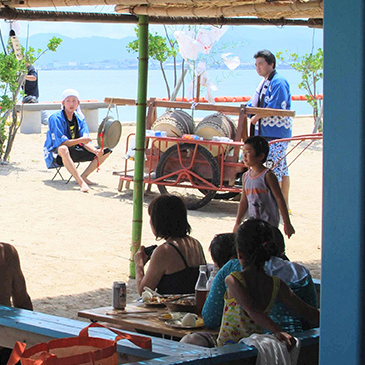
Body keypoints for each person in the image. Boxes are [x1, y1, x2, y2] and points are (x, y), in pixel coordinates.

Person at [184, 228, 318, 347]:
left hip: (236, 348)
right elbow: (310, 314)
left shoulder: (233, 275)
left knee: (190, 341)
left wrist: (277, 330)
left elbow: (211, 318)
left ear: (239, 253)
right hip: (285, 344)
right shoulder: (282, 281)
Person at [134, 194, 207, 295]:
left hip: (173, 309)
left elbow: (144, 291)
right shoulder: (195, 244)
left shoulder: (164, 251)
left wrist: (139, 264)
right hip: (193, 306)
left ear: (158, 221)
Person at [43, 89, 112, 193]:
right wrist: (81, 140)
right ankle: (80, 182)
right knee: (63, 149)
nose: (71, 104)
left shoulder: (80, 119)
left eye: (74, 101)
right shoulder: (55, 118)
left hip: (76, 149)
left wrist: (95, 151)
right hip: (57, 155)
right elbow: (61, 142)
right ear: (63, 103)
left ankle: (84, 176)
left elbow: (85, 141)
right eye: (68, 101)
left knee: (106, 150)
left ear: (78, 103)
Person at [246, 50, 293, 204]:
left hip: (276, 134)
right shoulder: (265, 82)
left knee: (273, 170)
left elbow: (275, 106)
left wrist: (256, 117)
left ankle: (275, 203)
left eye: (261, 64)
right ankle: (284, 203)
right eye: (256, 64)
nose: (257, 67)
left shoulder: (278, 81)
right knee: (282, 169)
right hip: (267, 133)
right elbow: (254, 103)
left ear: (271, 64)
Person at [234, 136, 295, 238]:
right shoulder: (246, 176)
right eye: (243, 151)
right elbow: (244, 201)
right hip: (253, 226)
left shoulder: (268, 175)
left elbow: (280, 199)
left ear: (261, 156)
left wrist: (287, 223)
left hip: (269, 226)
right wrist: (237, 223)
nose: (244, 155)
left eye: (248, 152)